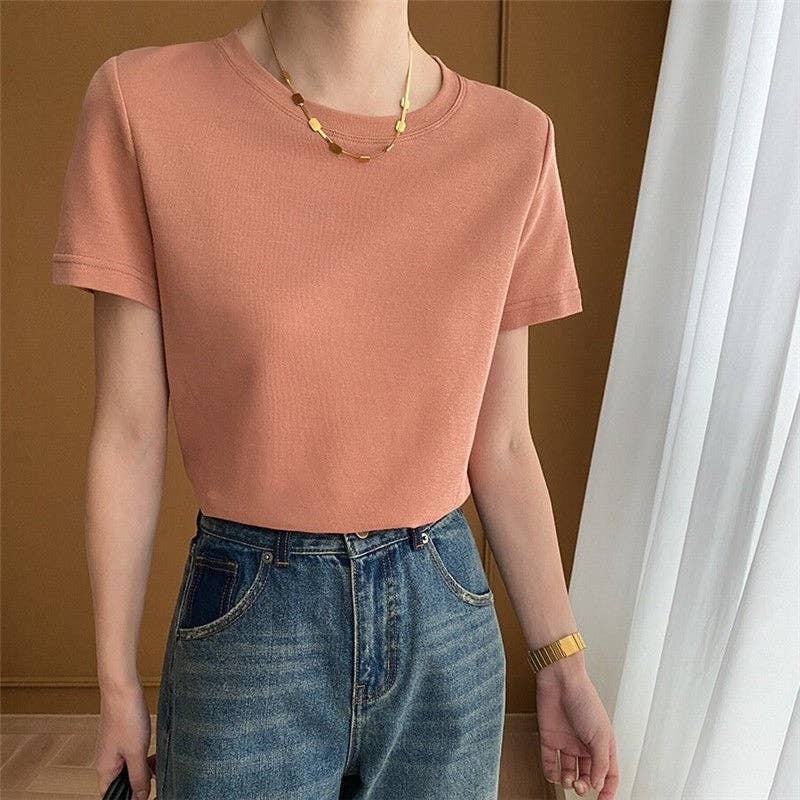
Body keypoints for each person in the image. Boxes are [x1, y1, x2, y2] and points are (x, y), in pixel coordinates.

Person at [51, 2, 618, 799]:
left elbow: (503, 444)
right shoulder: (144, 104)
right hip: (251, 619)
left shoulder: (514, 140)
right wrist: (115, 684)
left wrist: (562, 661)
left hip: (446, 619)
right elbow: (129, 432)